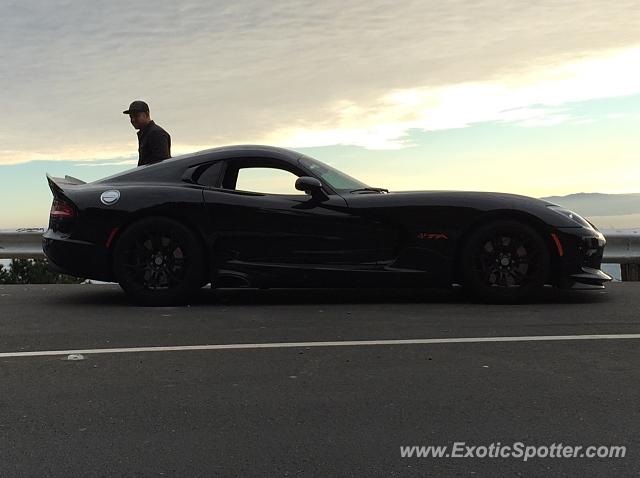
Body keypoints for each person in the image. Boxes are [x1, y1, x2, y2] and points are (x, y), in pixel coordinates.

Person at [123, 100, 172, 166]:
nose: (133, 120)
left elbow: (161, 165)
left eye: (136, 116)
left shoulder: (156, 133)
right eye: (131, 117)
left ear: (147, 114)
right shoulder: (146, 134)